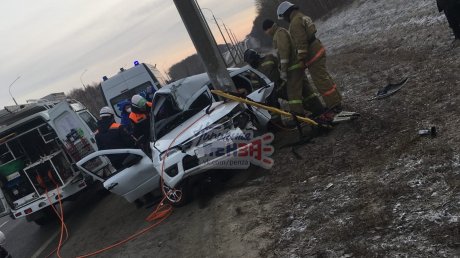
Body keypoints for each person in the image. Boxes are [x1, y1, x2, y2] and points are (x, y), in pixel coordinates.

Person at [277, 1, 342, 113]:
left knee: (320, 81)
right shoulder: (301, 16)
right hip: (317, 48)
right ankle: (336, 100)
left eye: (283, 17)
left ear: (286, 13)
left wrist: (301, 59)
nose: (284, 19)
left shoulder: (294, 23)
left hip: (313, 54)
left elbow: (301, 43)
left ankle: (334, 105)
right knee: (324, 77)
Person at [262, 19, 325, 118]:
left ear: (269, 28)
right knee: (306, 91)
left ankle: (299, 117)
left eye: (266, 31)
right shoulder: (282, 31)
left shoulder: (279, 33)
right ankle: (318, 109)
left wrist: (283, 70)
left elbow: (284, 53)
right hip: (296, 66)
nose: (266, 33)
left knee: (293, 94)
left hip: (292, 69)